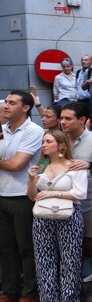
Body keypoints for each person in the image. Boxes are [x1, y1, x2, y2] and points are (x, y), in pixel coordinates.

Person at [26, 130, 88, 302]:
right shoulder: (42, 165)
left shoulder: (74, 165)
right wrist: (31, 180)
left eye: (48, 141)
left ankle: (69, 299)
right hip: (42, 216)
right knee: (43, 261)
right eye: (43, 141)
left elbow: (80, 193)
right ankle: (48, 298)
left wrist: (53, 194)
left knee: (70, 261)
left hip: (69, 217)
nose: (43, 145)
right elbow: (32, 196)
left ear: (61, 145)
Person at [59, 101, 92, 302]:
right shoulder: (60, 139)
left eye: (67, 118)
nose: (63, 122)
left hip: (89, 201)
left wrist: (90, 166)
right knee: (69, 246)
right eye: (62, 118)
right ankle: (71, 286)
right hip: (63, 202)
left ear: (82, 120)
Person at [0, 90, 45, 302]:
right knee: (6, 248)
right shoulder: (2, 129)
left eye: (12, 103)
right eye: (5, 102)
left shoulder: (33, 130)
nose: (6, 106)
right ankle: (9, 291)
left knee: (26, 247)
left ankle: (30, 292)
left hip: (23, 196)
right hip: (2, 194)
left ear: (25, 108)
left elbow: (17, 165)